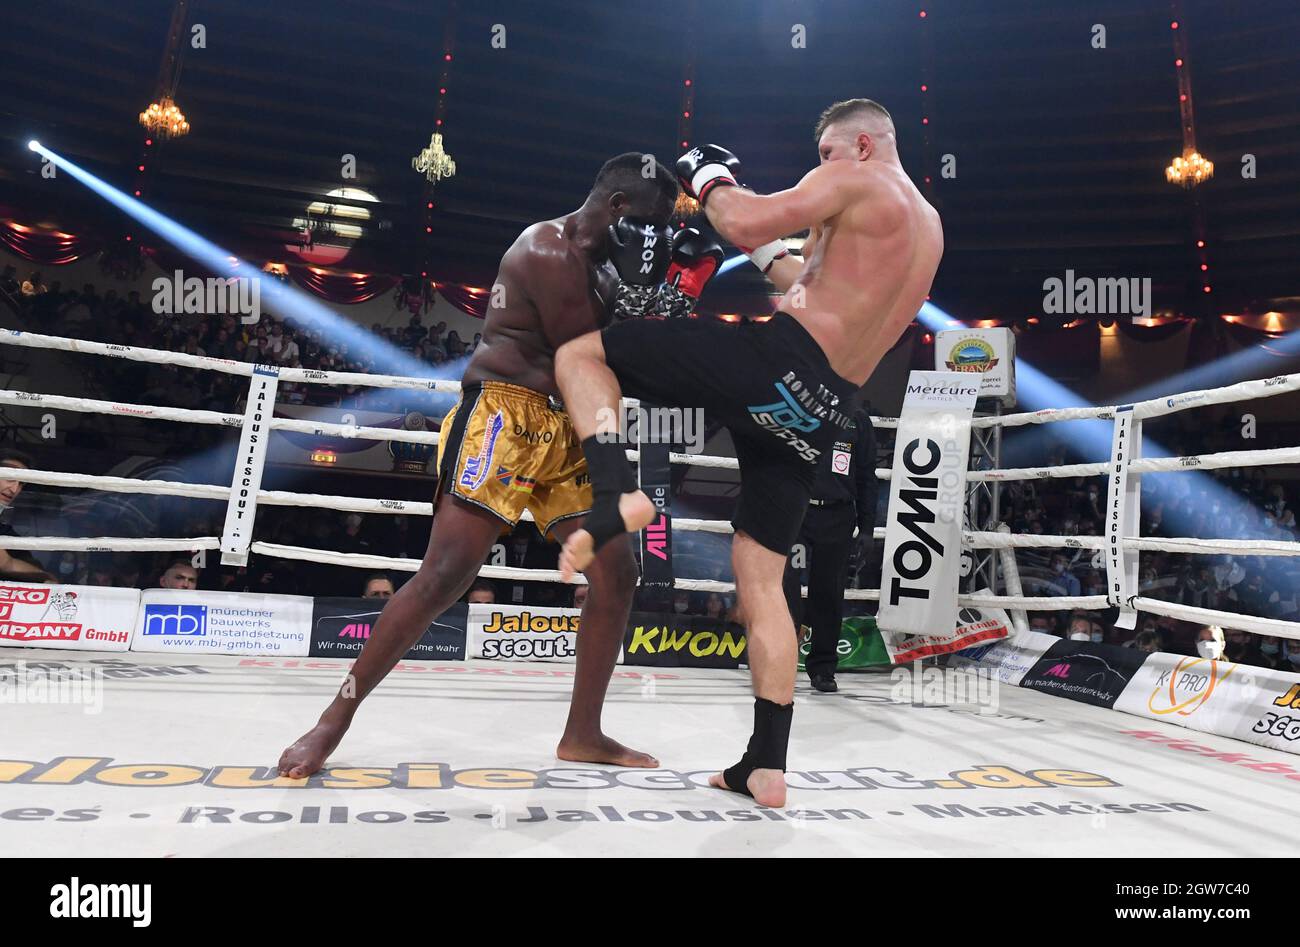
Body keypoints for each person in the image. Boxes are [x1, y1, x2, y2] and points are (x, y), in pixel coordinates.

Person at [554, 98, 943, 805]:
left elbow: (739, 219)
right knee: (760, 579)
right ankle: (765, 763)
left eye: (826, 154)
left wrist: (708, 178)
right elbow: (809, 283)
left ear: (862, 143)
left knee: (582, 355)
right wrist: (766, 253)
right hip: (822, 407)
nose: (820, 168)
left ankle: (614, 494)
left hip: (774, 362)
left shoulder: (858, 177)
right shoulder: (927, 228)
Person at [278, 152, 679, 779]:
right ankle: (332, 721)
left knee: (618, 573)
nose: (655, 237)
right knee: (445, 573)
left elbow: (602, 376)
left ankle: (583, 732)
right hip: (504, 415)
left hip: (567, 425)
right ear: (620, 207)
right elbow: (584, 356)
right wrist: (653, 317)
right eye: (653, 220)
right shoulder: (547, 250)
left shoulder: (606, 273)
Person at [782, 404, 877, 693]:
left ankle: (823, 668)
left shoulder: (857, 419)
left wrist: (868, 527)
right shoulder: (794, 408)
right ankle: (779, 662)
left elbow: (866, 476)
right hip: (795, 512)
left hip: (838, 515)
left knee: (829, 593)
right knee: (784, 591)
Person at [0, 449, 55, 583]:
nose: (14, 489)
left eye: (21, 483)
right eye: (10, 478)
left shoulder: (6, 532)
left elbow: (8, 562)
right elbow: (6, 563)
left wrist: (46, 579)